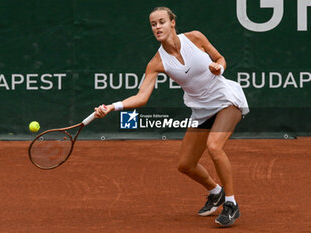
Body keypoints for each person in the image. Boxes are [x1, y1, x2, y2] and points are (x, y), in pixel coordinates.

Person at [95, 6, 249, 227]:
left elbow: (220, 58)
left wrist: (218, 68)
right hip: (201, 110)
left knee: (214, 146)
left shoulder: (195, 38)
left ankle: (231, 204)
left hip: (226, 100)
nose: (158, 27)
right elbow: (141, 97)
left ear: (172, 23)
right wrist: (112, 107)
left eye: (161, 22)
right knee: (186, 164)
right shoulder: (157, 63)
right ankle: (216, 193)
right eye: (153, 24)